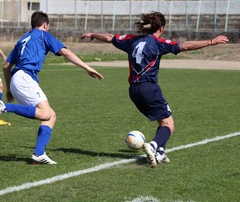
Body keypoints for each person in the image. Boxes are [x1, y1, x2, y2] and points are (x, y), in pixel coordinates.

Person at [80, 11, 229, 168]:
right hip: (149, 88)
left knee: (163, 120)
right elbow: (184, 45)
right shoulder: (159, 43)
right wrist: (212, 41)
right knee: (168, 125)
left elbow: (110, 38)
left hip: (134, 90)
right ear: (161, 28)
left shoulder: (131, 40)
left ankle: (160, 152)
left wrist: (93, 34)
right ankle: (153, 146)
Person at [1, 10, 104, 164]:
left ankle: (38, 154)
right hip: (25, 77)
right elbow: (65, 52)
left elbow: (6, 66)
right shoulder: (43, 35)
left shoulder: (22, 39)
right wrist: (87, 67)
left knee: (51, 116)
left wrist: (10, 89)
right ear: (45, 25)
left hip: (18, 79)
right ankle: (4, 107)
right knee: (44, 113)